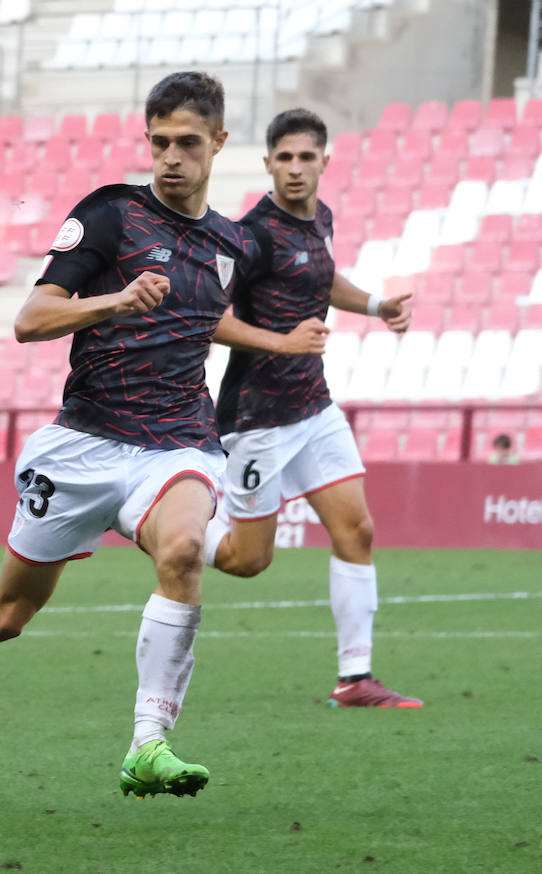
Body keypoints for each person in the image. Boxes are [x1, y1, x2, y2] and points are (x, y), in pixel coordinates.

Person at [0, 72, 328, 797]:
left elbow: (206, 317)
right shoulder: (112, 215)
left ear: (219, 144)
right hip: (83, 445)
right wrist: (115, 300)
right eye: (159, 142)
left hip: (178, 442)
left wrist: (278, 342)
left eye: (188, 143)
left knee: (181, 551)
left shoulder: (231, 243)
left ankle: (148, 743)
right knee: (7, 614)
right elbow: (29, 319)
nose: (171, 157)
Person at [204, 108, 422, 710]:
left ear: (325, 161)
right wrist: (281, 342)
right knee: (249, 562)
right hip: (257, 415)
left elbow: (319, 281)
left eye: (307, 157)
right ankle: (160, 528)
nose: (295, 168)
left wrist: (377, 305)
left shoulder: (320, 218)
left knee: (358, 529)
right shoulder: (250, 235)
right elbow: (210, 316)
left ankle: (355, 678)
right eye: (285, 158)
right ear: (268, 163)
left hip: (314, 405)